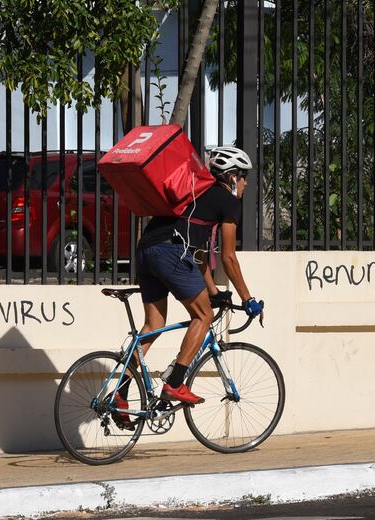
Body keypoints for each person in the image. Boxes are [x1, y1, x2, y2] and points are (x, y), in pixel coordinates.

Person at [113, 146, 264, 422]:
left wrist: (213, 291)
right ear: (232, 177)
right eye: (244, 177)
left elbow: (199, 254)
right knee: (203, 315)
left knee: (153, 326)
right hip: (171, 252)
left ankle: (119, 395)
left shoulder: (193, 191)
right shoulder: (228, 203)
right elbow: (228, 257)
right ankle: (175, 383)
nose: (246, 184)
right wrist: (248, 299)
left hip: (146, 250)